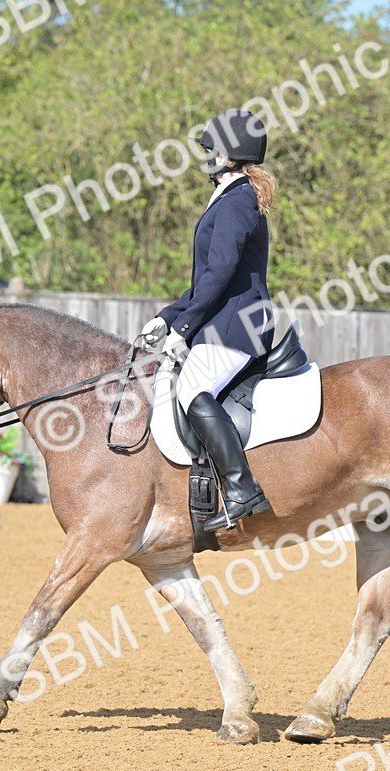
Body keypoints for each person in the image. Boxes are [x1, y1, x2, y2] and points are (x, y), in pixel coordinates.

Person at [140, 108, 278, 532]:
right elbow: (206, 281)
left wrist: (185, 329)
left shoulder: (238, 201)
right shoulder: (229, 196)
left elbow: (219, 274)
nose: (206, 153)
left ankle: (241, 488)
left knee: (192, 388)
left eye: (212, 147)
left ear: (232, 153)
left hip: (238, 325)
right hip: (223, 319)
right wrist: (168, 318)